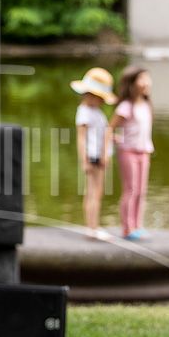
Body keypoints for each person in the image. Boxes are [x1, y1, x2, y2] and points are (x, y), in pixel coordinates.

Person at [70, 66, 115, 238]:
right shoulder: (84, 112)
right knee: (92, 192)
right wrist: (85, 161)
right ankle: (92, 228)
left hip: (99, 155)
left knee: (97, 192)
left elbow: (101, 133)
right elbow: (81, 138)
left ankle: (93, 225)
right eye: (100, 98)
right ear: (91, 95)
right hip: (92, 156)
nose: (102, 102)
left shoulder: (95, 112)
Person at [113, 65, 154, 239]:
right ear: (131, 83)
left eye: (147, 78)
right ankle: (127, 228)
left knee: (141, 191)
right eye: (141, 78)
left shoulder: (146, 105)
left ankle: (138, 225)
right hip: (128, 151)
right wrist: (113, 140)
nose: (146, 82)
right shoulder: (126, 106)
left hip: (144, 151)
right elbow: (110, 128)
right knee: (131, 189)